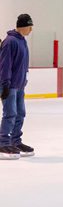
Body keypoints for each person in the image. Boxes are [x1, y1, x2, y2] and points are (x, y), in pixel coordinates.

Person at [0, 14, 34, 160]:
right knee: (10, 114)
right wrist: (5, 84)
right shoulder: (10, 41)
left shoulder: (23, 41)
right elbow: (5, 65)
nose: (31, 29)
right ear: (23, 26)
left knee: (20, 113)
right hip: (10, 85)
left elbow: (23, 64)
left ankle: (15, 140)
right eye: (30, 26)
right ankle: (3, 142)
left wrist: (24, 80)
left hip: (19, 86)